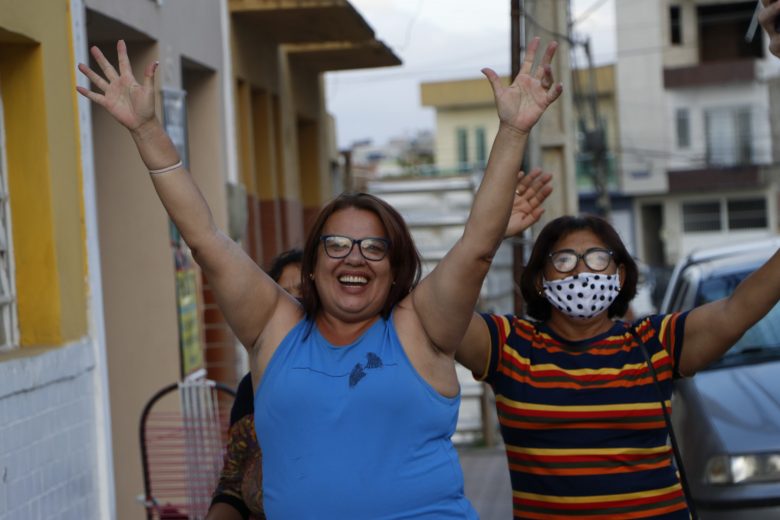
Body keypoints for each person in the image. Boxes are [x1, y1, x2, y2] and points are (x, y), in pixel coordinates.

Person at [77, 37, 562, 518]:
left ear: (395, 270)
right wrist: (146, 130)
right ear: (311, 264)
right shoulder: (275, 328)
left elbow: (477, 248)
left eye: (375, 247)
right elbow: (205, 239)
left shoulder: (421, 327)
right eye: (336, 245)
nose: (354, 258)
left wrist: (513, 132)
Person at [455, 214, 780, 519]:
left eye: (597, 258)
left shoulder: (655, 342)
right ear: (541, 279)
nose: (582, 272)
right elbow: (440, 313)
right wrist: (488, 237)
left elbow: (736, 310)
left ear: (619, 275)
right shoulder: (509, 345)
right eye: (564, 260)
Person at [207, 249, 302, 520]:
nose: (297, 304)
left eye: (305, 293)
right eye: (286, 296)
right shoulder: (252, 389)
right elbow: (233, 483)